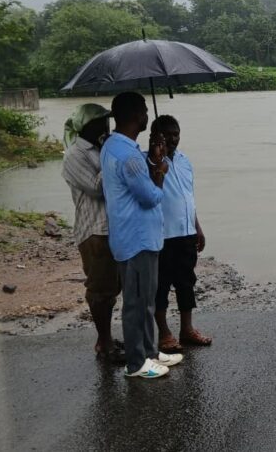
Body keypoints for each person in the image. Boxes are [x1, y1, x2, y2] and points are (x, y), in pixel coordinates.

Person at [100, 92, 183, 378]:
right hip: (137, 239)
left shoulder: (114, 146)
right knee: (137, 303)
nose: (148, 115)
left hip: (135, 236)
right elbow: (149, 197)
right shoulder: (128, 157)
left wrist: (153, 159)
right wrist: (160, 172)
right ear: (137, 115)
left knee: (146, 300)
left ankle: (150, 352)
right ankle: (137, 364)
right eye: (145, 110)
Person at [62, 103, 125, 364]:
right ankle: (104, 343)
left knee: (112, 287)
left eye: (107, 121)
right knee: (100, 290)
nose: (106, 126)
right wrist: (112, 155)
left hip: (113, 229)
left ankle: (105, 338)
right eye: (100, 122)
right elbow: (97, 188)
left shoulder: (100, 149)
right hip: (95, 231)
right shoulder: (74, 155)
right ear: (85, 126)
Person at [148, 114, 212, 353]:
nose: (173, 139)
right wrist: (156, 161)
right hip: (162, 235)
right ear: (156, 137)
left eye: (176, 134)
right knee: (161, 285)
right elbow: (149, 194)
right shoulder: (148, 162)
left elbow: (188, 197)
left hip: (186, 232)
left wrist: (197, 227)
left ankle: (187, 329)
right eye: (167, 135)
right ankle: (164, 333)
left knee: (186, 282)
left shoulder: (184, 161)